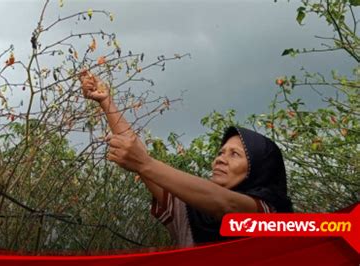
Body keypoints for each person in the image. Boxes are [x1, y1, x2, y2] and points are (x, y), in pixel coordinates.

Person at [79, 70, 293, 246]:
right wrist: (106, 103)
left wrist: (144, 163)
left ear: (258, 169)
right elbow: (139, 157)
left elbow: (227, 206)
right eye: (220, 153)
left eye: (235, 154)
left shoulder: (270, 216)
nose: (220, 159)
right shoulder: (188, 212)